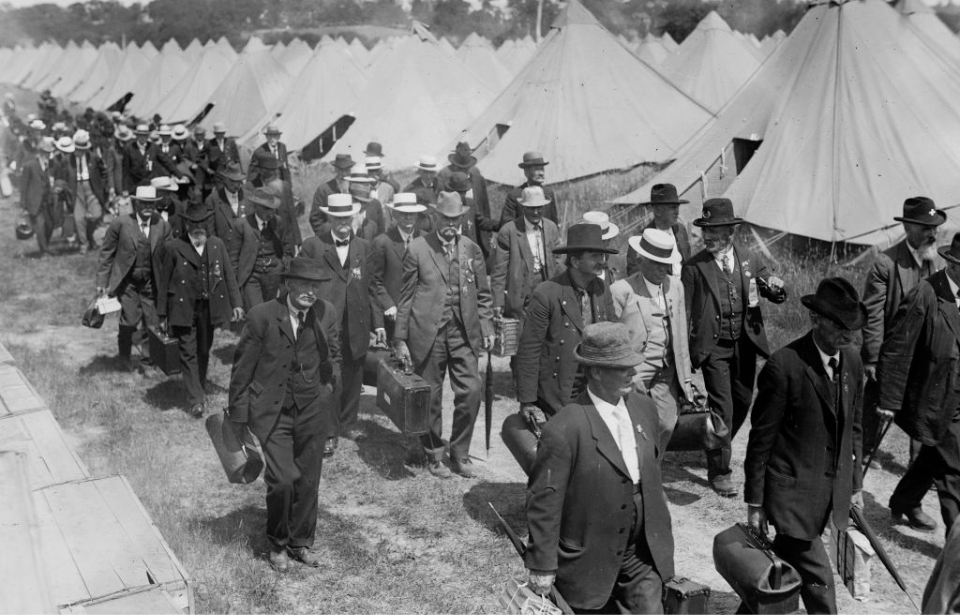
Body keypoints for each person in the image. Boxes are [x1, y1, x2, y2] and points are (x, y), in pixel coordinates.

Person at [525, 322, 675, 613]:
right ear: (595, 371)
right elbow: (544, 501)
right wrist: (542, 564)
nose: (633, 371)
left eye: (633, 364)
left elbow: (652, 471)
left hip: (640, 552)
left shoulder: (644, 408)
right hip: (588, 555)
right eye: (622, 367)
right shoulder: (566, 427)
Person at [744, 277, 865, 615]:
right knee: (819, 580)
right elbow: (761, 440)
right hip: (791, 497)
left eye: (852, 327)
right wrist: (755, 502)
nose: (848, 335)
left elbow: (854, 429)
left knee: (775, 575)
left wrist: (855, 485)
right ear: (816, 320)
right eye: (840, 325)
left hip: (829, 492)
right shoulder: (785, 366)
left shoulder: (852, 362)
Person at [227, 257, 341, 571]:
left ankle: (300, 542)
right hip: (272, 412)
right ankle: (277, 543)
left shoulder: (325, 313)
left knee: (308, 479)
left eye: (315, 285)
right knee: (283, 480)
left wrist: (327, 395)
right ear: (289, 284)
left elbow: (334, 357)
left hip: (312, 409)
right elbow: (241, 371)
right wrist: (238, 419)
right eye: (304, 284)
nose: (310, 292)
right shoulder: (261, 317)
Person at [682, 198, 786, 497]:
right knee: (722, 408)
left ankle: (716, 442)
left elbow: (775, 291)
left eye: (714, 231)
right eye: (705, 231)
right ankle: (720, 470)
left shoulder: (750, 260)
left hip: (745, 344)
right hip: (713, 347)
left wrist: (777, 287)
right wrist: (683, 351)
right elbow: (685, 313)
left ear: (730, 232)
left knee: (741, 402)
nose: (708, 237)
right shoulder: (694, 267)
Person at [393, 193, 494, 479]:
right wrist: (400, 339)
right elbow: (405, 297)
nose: (451, 224)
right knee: (432, 396)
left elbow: (484, 294)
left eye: (456, 219)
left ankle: (460, 453)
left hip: (463, 332)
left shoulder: (471, 249)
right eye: (446, 218)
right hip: (428, 332)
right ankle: (434, 454)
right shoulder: (417, 249)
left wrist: (486, 328)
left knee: (471, 391)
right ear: (435, 218)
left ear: (461, 219)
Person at [860, 197, 944, 529]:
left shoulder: (937, 261)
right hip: (894, 359)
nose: (931, 234)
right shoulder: (886, 263)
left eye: (934, 228)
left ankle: (911, 500)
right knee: (871, 420)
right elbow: (873, 314)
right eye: (925, 228)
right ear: (908, 227)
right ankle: (852, 486)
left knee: (926, 425)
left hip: (927, 361)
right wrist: (874, 357)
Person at [877, 232, 960, 536]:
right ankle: (957, 547)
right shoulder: (926, 293)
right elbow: (898, 348)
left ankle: (904, 500)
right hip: (936, 399)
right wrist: (888, 399)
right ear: (953, 265)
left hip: (958, 399)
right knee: (955, 468)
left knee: (935, 455)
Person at [301, 193, 383, 456]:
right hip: (326, 322)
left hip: (357, 322)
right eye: (337, 218)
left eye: (346, 217)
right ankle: (328, 432)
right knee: (329, 374)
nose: (342, 222)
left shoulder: (363, 246)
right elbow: (302, 284)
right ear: (329, 218)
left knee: (354, 372)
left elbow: (370, 287)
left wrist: (377, 323)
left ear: (353, 217)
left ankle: (348, 423)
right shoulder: (313, 246)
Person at [516, 224, 618, 428]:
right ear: (574, 261)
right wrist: (527, 401)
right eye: (595, 256)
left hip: (595, 382)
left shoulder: (600, 289)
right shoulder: (547, 293)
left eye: (602, 255)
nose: (602, 261)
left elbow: (612, 332)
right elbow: (529, 349)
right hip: (559, 386)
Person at [157, 202, 243, 418]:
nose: (198, 228)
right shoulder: (174, 247)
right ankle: (196, 400)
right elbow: (164, 281)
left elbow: (228, 275)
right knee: (188, 352)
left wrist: (237, 303)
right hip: (183, 308)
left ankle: (198, 386)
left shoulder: (217, 245)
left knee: (204, 349)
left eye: (202, 224)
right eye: (194, 224)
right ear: (186, 224)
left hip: (209, 308)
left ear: (207, 224)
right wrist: (161, 314)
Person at [611, 229, 691, 448]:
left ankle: (650, 469)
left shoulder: (675, 286)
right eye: (655, 263)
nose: (661, 270)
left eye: (665, 264)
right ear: (641, 260)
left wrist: (686, 378)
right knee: (634, 422)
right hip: (635, 369)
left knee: (665, 423)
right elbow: (610, 337)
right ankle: (633, 473)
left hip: (667, 369)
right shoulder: (621, 290)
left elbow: (681, 333)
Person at [95, 186, 172, 368]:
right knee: (129, 319)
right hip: (128, 282)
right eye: (144, 203)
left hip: (151, 282)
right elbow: (107, 254)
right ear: (136, 203)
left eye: (151, 204)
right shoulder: (120, 224)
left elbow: (170, 255)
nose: (147, 207)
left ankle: (148, 358)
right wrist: (102, 281)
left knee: (151, 321)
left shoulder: (161, 225)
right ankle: (124, 356)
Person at [370, 193, 425, 343]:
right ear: (394, 214)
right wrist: (388, 304)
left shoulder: (426, 239)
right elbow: (374, 281)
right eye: (403, 214)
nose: (408, 218)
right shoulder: (382, 242)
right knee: (397, 361)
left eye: (412, 214)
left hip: (422, 315)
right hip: (394, 316)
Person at [234, 188, 294, 311]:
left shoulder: (278, 222)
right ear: (256, 207)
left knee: (271, 312)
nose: (270, 213)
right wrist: (235, 288)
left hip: (274, 275)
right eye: (266, 208)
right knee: (256, 312)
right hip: (251, 276)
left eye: (273, 209)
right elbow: (233, 258)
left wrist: (282, 265)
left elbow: (288, 247)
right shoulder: (242, 225)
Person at [627, 184, 692, 277]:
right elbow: (635, 276)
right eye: (672, 208)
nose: (677, 212)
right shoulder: (640, 239)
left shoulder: (680, 231)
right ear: (658, 211)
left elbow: (688, 264)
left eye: (677, 207)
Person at [64, 129, 109, 254]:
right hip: (76, 189)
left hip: (91, 187)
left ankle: (89, 236)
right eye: (77, 148)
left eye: (82, 149)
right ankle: (83, 243)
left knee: (96, 214)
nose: (79, 151)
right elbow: (63, 176)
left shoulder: (94, 157)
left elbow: (104, 173)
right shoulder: (68, 159)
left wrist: (105, 186)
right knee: (79, 218)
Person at [499, 151, 559, 226]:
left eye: (542, 169)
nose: (541, 173)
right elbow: (507, 225)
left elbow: (554, 222)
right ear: (526, 172)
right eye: (537, 169)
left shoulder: (548, 193)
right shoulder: (515, 195)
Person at [20, 136, 56, 256]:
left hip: (46, 201)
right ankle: (44, 250)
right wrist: (23, 205)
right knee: (39, 226)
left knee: (50, 225)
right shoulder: (29, 165)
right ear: (40, 152)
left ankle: (45, 246)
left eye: (49, 152)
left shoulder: (49, 164)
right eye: (46, 152)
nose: (48, 154)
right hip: (34, 201)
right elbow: (23, 187)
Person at [121, 123, 180, 195]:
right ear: (137, 136)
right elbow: (125, 171)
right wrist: (125, 189)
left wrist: (179, 175)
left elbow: (166, 162)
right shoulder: (129, 148)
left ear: (148, 136)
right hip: (134, 185)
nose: (143, 138)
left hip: (150, 185)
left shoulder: (154, 147)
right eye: (140, 135)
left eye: (145, 135)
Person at [309, 153, 354, 233]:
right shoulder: (324, 190)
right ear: (335, 169)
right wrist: (325, 237)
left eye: (346, 170)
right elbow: (315, 218)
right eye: (340, 170)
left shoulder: (355, 189)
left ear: (350, 170)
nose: (343, 174)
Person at [207, 162, 246, 248]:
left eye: (238, 181)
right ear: (225, 179)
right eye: (232, 181)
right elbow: (211, 231)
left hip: (245, 251)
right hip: (225, 251)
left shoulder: (247, 196)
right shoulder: (213, 200)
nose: (236, 185)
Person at [582, 210, 623, 283]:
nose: (609, 242)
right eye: (603, 240)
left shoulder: (610, 259)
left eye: (608, 239)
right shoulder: (570, 266)